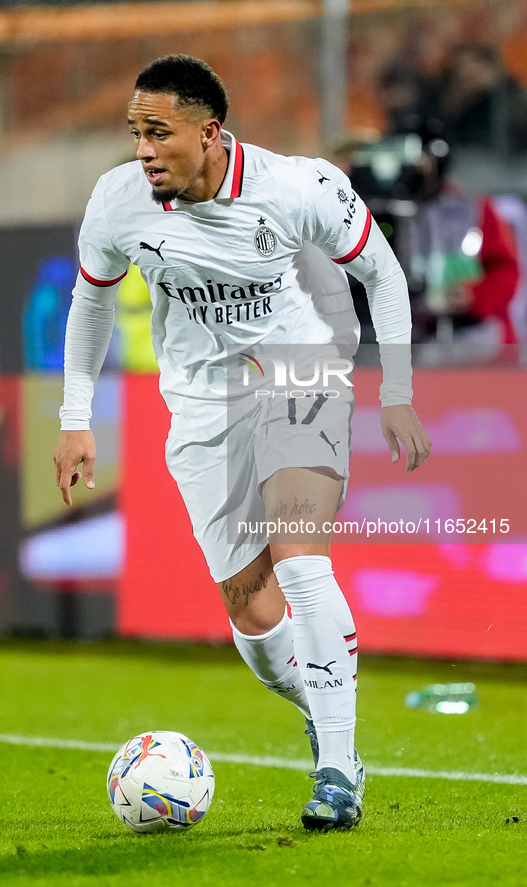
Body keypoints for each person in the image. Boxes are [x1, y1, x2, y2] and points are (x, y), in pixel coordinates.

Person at [53, 55, 431, 831]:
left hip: (299, 372)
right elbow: (90, 302)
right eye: (134, 134)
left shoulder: (296, 187)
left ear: (210, 132)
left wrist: (396, 392)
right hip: (199, 400)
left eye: (158, 133)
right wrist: (74, 416)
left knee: (299, 560)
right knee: (253, 613)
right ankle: (323, 708)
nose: (143, 151)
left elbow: (382, 274)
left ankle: (336, 766)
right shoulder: (118, 202)